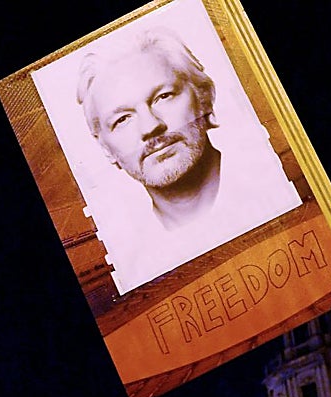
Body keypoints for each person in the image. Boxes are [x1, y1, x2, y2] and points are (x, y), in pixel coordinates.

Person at [73, 25, 300, 292]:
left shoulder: (284, 189)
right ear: (106, 149)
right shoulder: (130, 268)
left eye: (163, 97)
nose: (150, 127)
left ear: (205, 99)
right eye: (122, 119)